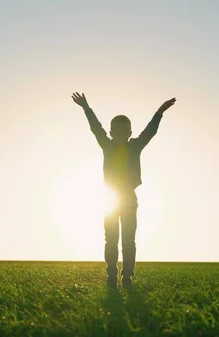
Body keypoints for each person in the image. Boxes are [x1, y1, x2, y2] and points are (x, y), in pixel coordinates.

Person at [71, 92, 176, 288]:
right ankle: (111, 274)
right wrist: (86, 107)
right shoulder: (107, 144)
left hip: (128, 198)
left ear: (129, 133)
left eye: (124, 132)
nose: (119, 136)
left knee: (128, 239)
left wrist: (159, 112)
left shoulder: (135, 146)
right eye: (116, 132)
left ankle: (127, 276)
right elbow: (96, 128)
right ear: (111, 133)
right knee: (110, 239)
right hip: (110, 198)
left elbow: (149, 132)